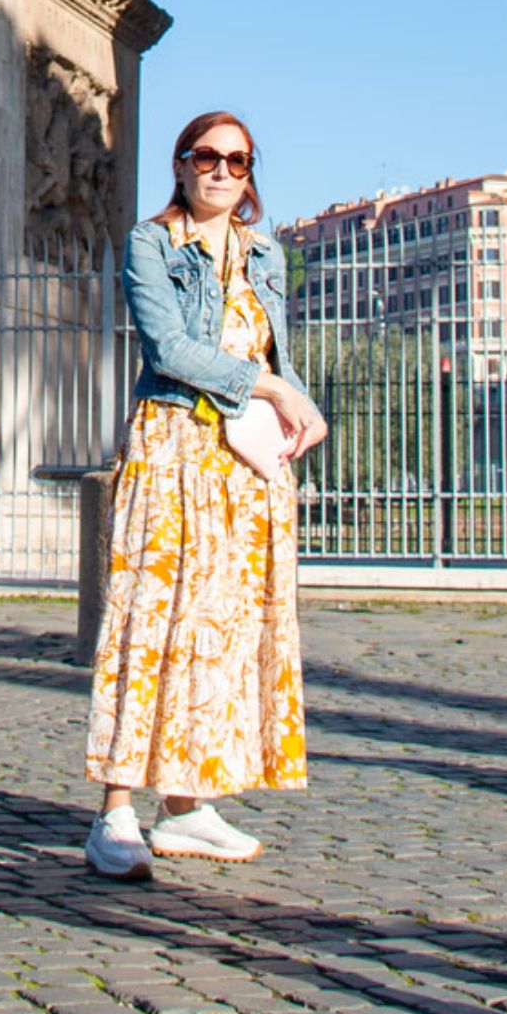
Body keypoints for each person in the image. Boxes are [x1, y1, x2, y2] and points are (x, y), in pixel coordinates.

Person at [83, 111, 330, 880]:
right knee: (150, 622)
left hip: (243, 467)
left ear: (252, 173)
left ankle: (188, 805)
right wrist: (270, 387)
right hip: (174, 446)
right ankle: (116, 813)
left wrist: (295, 404)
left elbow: (271, 348)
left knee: (224, 629)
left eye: (239, 159)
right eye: (207, 156)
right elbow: (169, 348)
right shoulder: (152, 243)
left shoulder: (267, 255)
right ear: (181, 164)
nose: (223, 170)